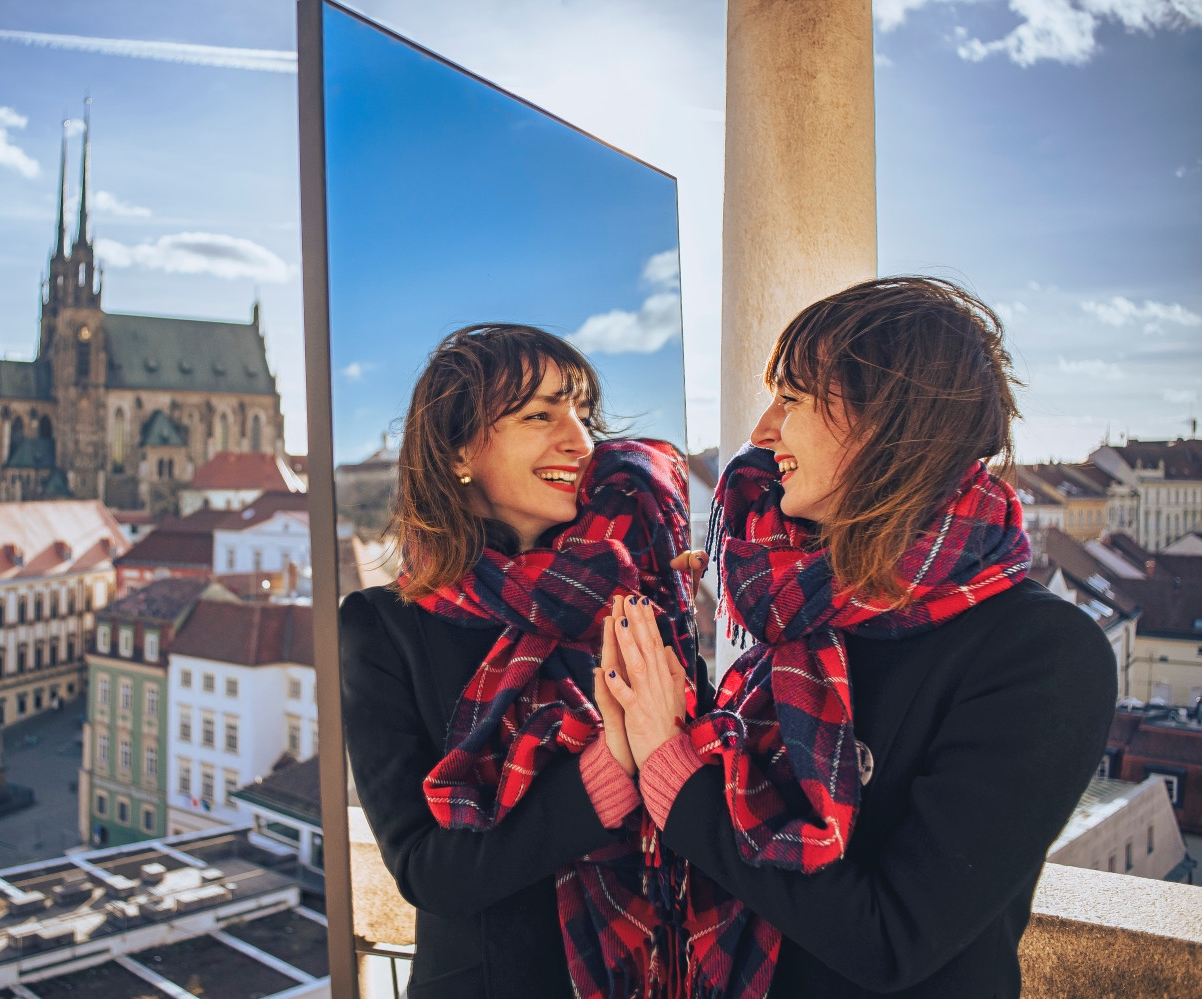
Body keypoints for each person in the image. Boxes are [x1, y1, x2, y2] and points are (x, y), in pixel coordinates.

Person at [601, 276, 1116, 999]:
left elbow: (890, 939)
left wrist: (671, 766)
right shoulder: (802, 612)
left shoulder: (1042, 652)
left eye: (794, 398)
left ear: (886, 423)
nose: (760, 431)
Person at [339, 324, 700, 998]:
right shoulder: (382, 625)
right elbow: (429, 870)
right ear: (455, 454)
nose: (580, 440)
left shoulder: (634, 597)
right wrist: (605, 769)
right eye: (540, 415)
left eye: (582, 412)